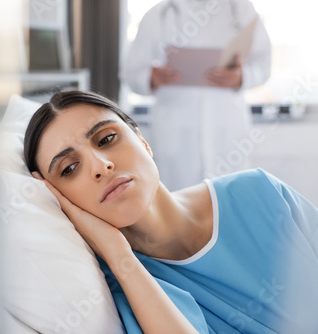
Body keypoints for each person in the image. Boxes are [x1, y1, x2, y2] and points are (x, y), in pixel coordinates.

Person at [23, 91, 318, 333]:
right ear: (61, 198)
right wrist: (120, 257)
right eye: (70, 169)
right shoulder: (122, 286)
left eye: (106, 139)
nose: (101, 166)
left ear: (142, 141)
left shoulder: (261, 194)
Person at [121, 0, 271, 191]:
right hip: (176, 132)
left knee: (231, 203)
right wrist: (152, 76)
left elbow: (264, 65)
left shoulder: (241, 10)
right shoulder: (158, 15)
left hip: (227, 129)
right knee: (179, 204)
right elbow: (130, 75)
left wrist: (241, 77)